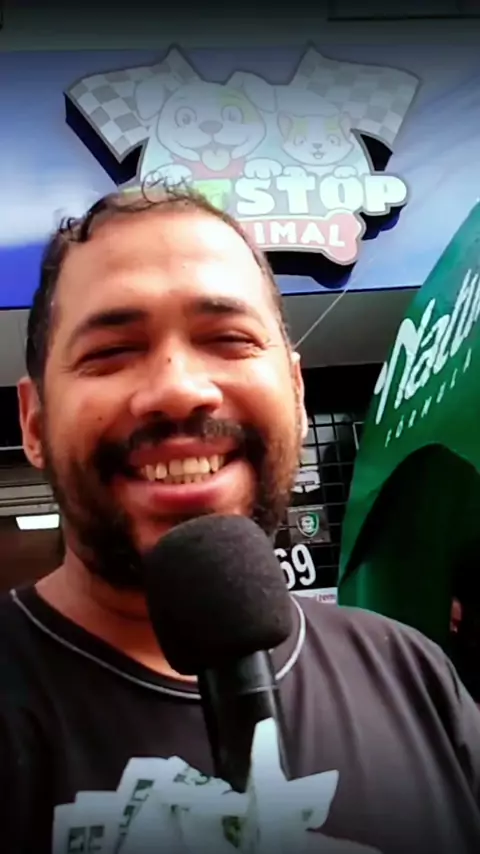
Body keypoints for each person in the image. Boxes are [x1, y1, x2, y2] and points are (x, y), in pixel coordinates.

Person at [2, 184, 480, 854]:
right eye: (110, 353)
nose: (179, 389)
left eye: (228, 339)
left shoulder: (413, 675)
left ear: (297, 392)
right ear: (33, 423)